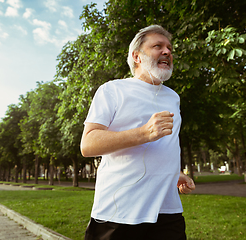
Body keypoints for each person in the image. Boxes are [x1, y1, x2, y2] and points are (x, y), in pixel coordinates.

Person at [81, 25, 195, 240]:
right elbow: (88, 144)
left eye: (170, 48)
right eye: (157, 46)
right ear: (137, 56)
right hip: (120, 211)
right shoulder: (112, 90)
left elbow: (165, 147)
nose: (167, 52)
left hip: (167, 210)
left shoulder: (173, 97)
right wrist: (144, 133)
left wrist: (173, 172)